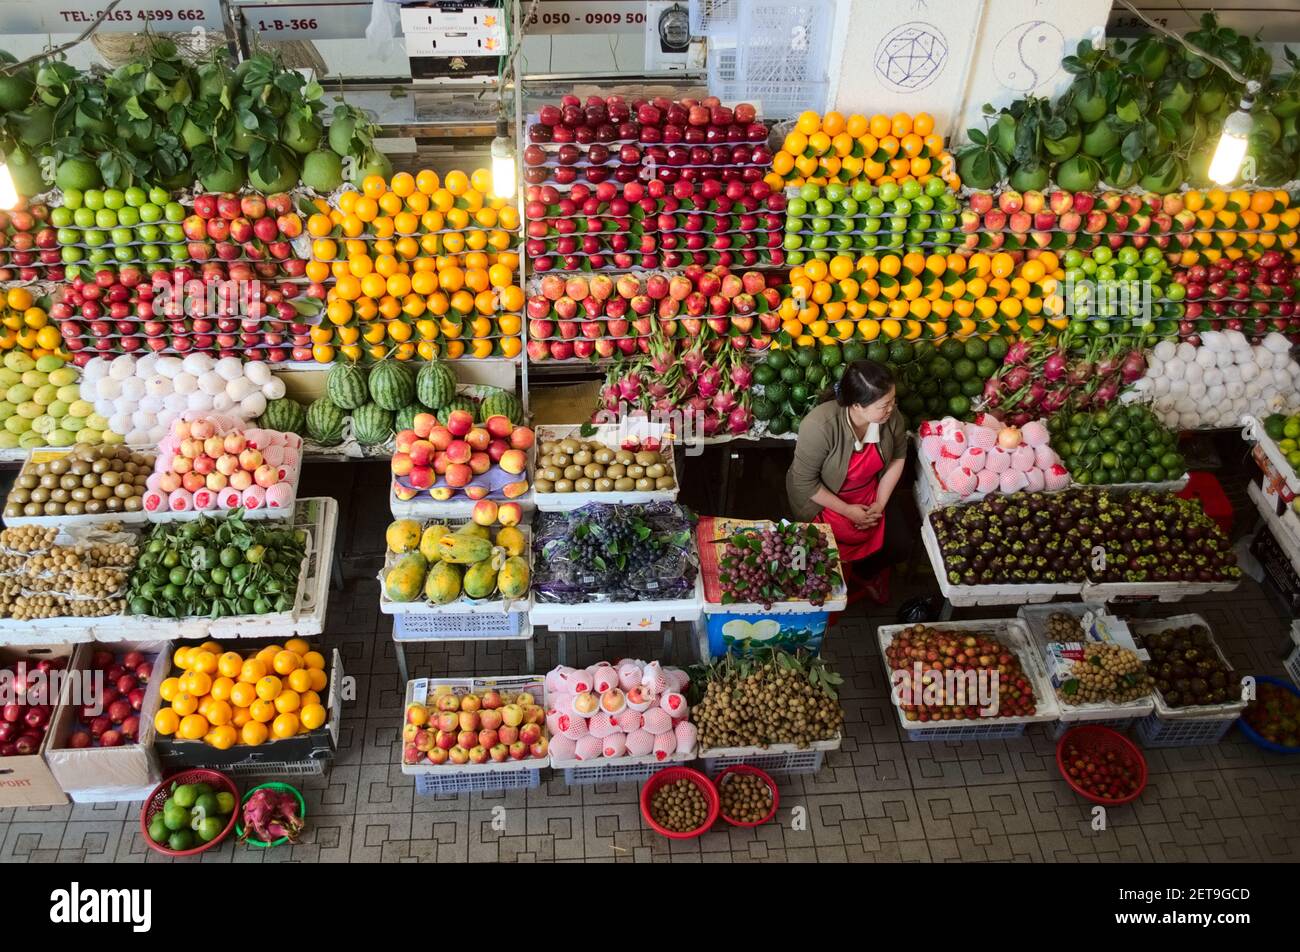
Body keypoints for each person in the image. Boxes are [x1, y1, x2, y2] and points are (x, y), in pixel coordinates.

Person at [785, 359, 912, 602]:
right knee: (820, 554)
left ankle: (865, 574)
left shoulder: (891, 418)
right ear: (857, 405)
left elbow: (898, 458)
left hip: (869, 494)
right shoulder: (819, 425)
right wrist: (848, 511)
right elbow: (804, 482)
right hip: (823, 499)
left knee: (900, 544)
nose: (892, 408)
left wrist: (879, 505)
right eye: (884, 405)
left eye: (893, 401)